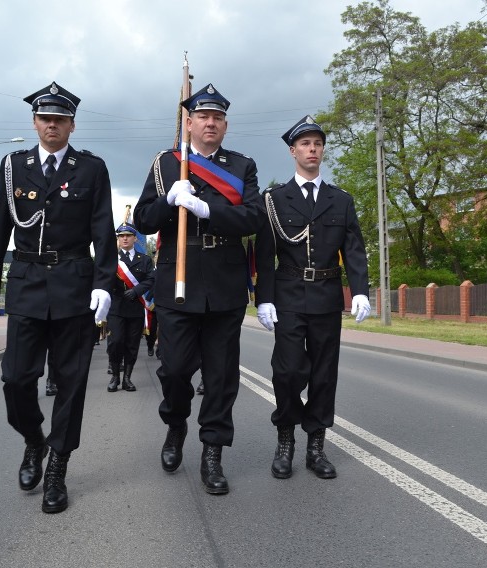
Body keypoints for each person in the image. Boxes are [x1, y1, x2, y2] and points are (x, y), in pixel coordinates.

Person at [0, 82, 116, 513]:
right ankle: (34, 440)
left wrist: (104, 283)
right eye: (44, 118)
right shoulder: (12, 165)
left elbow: (103, 230)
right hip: (26, 281)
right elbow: (1, 227)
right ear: (35, 122)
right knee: (16, 379)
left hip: (74, 282)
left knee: (71, 384)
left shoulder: (91, 169)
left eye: (59, 119)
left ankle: (57, 466)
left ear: (71, 125)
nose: (51, 125)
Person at [133, 83, 265, 495]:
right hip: (178, 278)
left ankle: (212, 452)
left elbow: (253, 218)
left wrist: (209, 210)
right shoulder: (167, 163)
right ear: (188, 123)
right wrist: (170, 201)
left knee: (222, 376)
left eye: (218, 117)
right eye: (203, 116)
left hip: (224, 282)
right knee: (173, 370)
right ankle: (175, 426)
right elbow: (141, 219)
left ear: (225, 125)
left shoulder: (242, 167)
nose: (211, 123)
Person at [254, 115, 371, 480]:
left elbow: (354, 249)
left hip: (326, 297)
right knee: (287, 371)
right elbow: (263, 250)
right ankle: (285, 438)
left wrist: (362, 292)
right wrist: (264, 297)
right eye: (305, 144)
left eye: (317, 144)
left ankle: (316, 445)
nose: (312, 149)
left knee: (323, 374)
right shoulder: (274, 199)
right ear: (293, 151)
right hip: (288, 295)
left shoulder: (341, 199)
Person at [107, 221, 155, 392]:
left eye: (128, 236)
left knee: (132, 344)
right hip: (116, 307)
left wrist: (136, 291)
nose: (125, 238)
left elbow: (150, 279)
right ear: (118, 239)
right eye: (121, 236)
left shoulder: (146, 260)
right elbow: (103, 279)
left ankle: (127, 378)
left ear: (135, 238)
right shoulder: (111, 260)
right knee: (116, 341)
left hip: (135, 307)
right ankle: (115, 376)